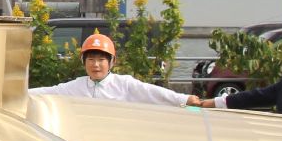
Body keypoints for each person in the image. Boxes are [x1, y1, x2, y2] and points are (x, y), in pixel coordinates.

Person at [30, 32, 206, 105]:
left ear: (112, 62)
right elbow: (48, 91)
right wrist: (14, 91)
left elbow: (152, 92)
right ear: (83, 62)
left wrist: (183, 99)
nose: (95, 65)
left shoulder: (124, 84)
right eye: (90, 59)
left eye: (101, 60)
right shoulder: (76, 86)